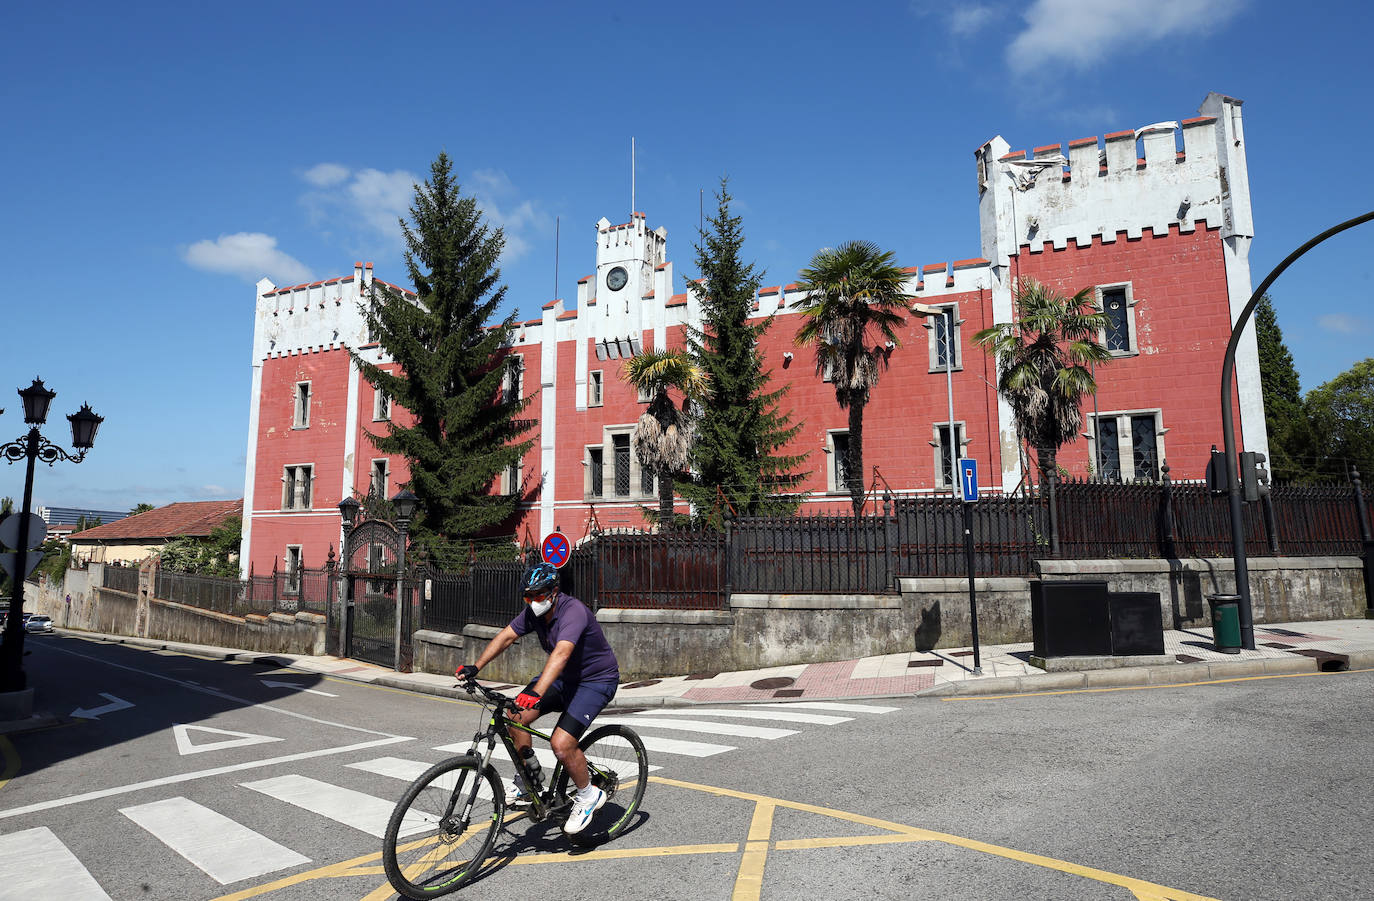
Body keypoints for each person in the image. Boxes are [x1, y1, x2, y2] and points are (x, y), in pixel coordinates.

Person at [456, 562, 620, 835]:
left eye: (539, 595)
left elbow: (562, 653)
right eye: (528, 596)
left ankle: (588, 795)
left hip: (595, 681)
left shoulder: (574, 611)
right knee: (515, 716)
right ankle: (529, 779)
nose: (533, 602)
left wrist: (536, 691)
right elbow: (507, 636)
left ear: (554, 592)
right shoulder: (534, 613)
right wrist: (476, 666)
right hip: (563, 679)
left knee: (561, 743)